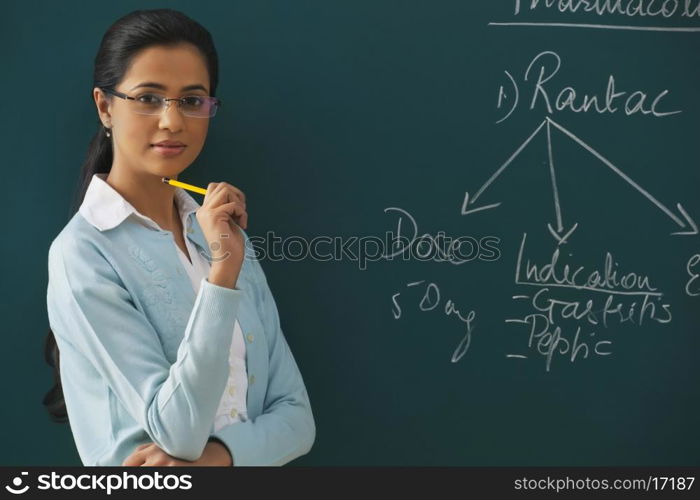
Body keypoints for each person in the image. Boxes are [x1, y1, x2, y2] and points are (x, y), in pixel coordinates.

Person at [44, 8, 315, 466]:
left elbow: (297, 421)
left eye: (192, 100)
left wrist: (217, 461)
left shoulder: (222, 237)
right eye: (148, 98)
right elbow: (177, 432)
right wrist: (222, 277)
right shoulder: (84, 253)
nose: (172, 122)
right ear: (104, 105)